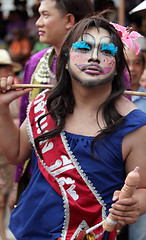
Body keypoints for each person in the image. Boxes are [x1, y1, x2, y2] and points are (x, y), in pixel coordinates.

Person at [0, 14, 146, 240]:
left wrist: (132, 206)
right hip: (26, 233)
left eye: (107, 51)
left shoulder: (136, 126)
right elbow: (15, 153)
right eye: (83, 48)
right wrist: (3, 109)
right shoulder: (44, 105)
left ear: (118, 64)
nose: (94, 57)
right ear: (66, 56)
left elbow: (143, 191)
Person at [8, 0, 94, 212]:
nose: (38, 22)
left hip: (88, 182)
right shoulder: (35, 63)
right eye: (39, 15)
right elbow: (24, 128)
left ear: (69, 20)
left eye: (45, 15)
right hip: (40, 180)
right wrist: (19, 182)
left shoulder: (101, 63)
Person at [124, 48, 146, 240]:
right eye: (127, 62)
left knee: (144, 234)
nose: (132, 68)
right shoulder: (111, 99)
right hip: (113, 184)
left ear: (144, 67)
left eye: (137, 63)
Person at [0, 49, 20, 240]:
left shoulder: (17, 89)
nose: (3, 72)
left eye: (5, 67)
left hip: (10, 151)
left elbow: (22, 118)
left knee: (9, 196)